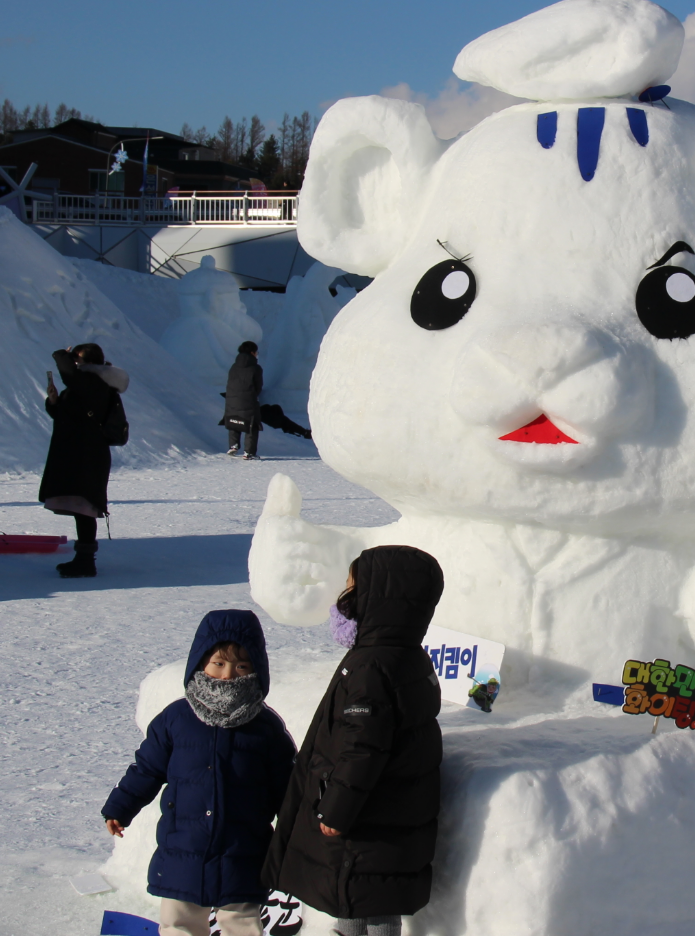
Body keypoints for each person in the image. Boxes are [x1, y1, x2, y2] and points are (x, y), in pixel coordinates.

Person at [264, 547, 445, 936]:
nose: (343, 596)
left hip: (366, 817)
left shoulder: (371, 665)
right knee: (358, 895)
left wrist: (336, 808)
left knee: (369, 900)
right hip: (388, 812)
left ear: (378, 599)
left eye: (351, 587)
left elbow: (364, 746)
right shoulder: (403, 655)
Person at [101, 610, 296, 936]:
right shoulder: (177, 719)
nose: (228, 674)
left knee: (242, 925)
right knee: (180, 924)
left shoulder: (265, 728)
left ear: (256, 669)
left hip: (243, 851)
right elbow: (147, 769)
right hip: (184, 850)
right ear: (200, 662)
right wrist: (121, 807)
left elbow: (288, 787)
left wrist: (298, 832)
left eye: (241, 666)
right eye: (218, 663)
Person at [39, 343, 128, 578]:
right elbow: (66, 416)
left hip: (87, 455)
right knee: (82, 508)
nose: (74, 364)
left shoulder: (93, 382)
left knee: (86, 507)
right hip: (80, 453)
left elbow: (69, 374)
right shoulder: (88, 384)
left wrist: (61, 354)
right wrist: (54, 402)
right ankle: (83, 559)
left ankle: (86, 561)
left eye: (76, 360)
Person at [222, 341, 263, 460]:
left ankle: (233, 446)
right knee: (252, 424)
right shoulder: (256, 368)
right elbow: (258, 386)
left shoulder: (233, 367)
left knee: (234, 420)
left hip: (231, 400)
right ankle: (248, 452)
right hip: (248, 400)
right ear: (252, 352)